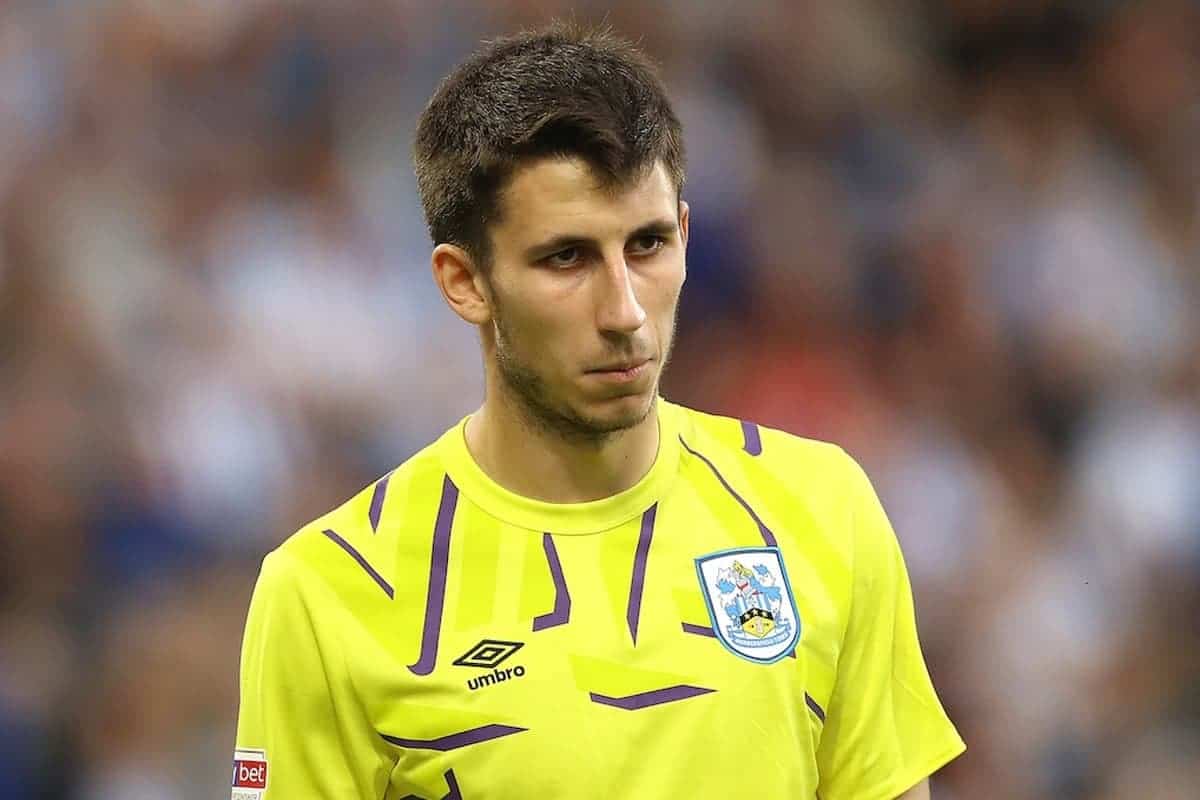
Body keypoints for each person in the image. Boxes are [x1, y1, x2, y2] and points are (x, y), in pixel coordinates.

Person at [232, 21, 965, 800]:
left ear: (685, 234)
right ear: (464, 281)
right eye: (566, 258)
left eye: (647, 246)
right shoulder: (328, 592)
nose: (624, 312)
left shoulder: (823, 507)